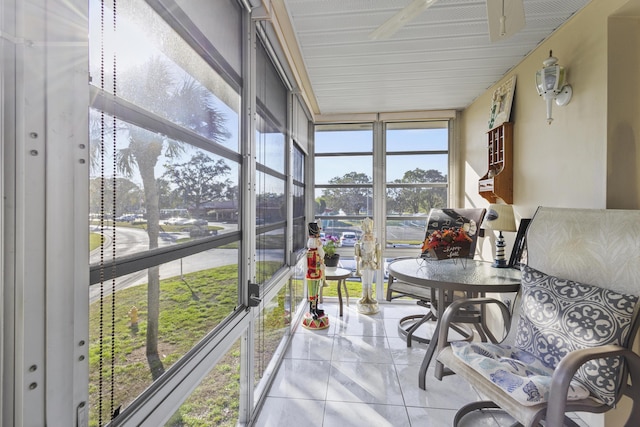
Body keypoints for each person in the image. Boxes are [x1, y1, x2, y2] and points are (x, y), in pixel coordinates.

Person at [302, 221, 329, 329]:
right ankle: (312, 310)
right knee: (312, 292)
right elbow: (311, 264)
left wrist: (321, 266)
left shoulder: (315, 251)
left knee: (316, 291)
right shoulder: (312, 252)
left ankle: (316, 308)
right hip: (312, 274)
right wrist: (320, 266)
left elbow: (321, 255)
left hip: (316, 273)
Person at [354, 217, 381, 314]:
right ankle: (364, 297)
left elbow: (378, 255)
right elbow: (357, 255)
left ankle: (370, 297)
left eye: (370, 237)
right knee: (364, 281)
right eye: (366, 237)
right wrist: (357, 258)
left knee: (370, 281)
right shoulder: (360, 246)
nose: (368, 239)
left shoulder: (375, 246)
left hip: (371, 265)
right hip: (363, 265)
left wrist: (378, 263)